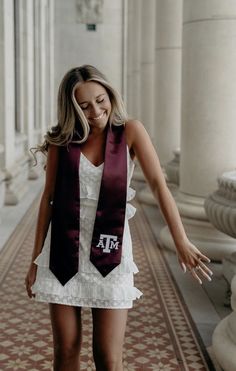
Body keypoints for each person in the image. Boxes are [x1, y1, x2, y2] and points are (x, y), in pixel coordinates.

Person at [25, 64, 213, 371]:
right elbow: (48, 200)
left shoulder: (130, 132)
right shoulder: (62, 141)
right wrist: (35, 260)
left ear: (110, 95)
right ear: (71, 108)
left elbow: (158, 185)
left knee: (108, 358)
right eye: (84, 106)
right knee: (66, 350)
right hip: (61, 249)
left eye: (101, 100)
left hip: (110, 252)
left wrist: (181, 240)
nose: (96, 111)